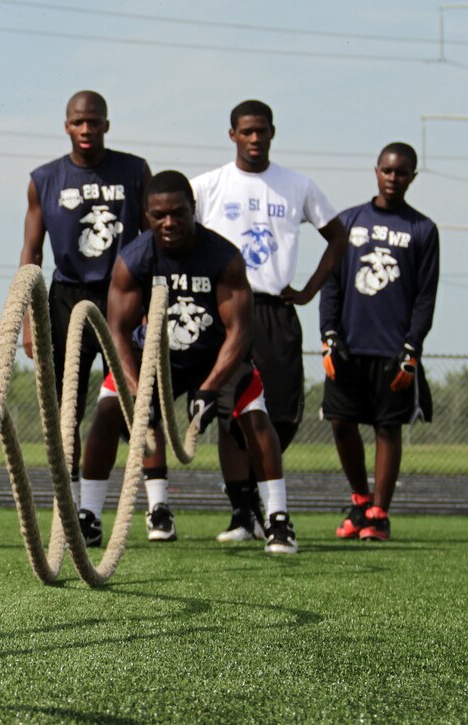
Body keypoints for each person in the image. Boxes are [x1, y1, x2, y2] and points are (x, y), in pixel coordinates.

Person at [80, 171, 297, 554]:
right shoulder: (133, 259)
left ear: (193, 209)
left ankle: (278, 519)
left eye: (178, 213)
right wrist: (135, 390)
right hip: (156, 359)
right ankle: (90, 517)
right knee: (108, 409)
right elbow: (117, 330)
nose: (169, 223)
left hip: (216, 358)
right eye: (159, 215)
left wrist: (212, 387)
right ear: (146, 215)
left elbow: (240, 331)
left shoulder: (223, 256)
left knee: (253, 412)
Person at [191, 99, 347, 542]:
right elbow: (172, 226)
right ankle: (246, 515)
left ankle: (265, 502)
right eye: (246, 131)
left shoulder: (296, 185)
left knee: (278, 417)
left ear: (272, 133)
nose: (255, 139)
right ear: (232, 135)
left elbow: (337, 236)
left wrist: (310, 289)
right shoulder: (208, 186)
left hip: (274, 311)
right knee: (229, 416)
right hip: (223, 312)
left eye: (262, 131)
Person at [19, 90, 150, 535]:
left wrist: (151, 305)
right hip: (66, 298)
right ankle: (72, 508)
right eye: (78, 122)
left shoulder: (134, 171)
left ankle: (157, 506)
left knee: (136, 403)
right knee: (63, 411)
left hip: (122, 296)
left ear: (106, 125)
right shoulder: (45, 178)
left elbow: (153, 243)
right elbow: (32, 250)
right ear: (66, 126)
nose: (86, 130)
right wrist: (26, 318)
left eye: (94, 122)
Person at [320, 142, 438, 541]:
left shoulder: (423, 229)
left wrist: (412, 348)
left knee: (389, 428)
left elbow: (425, 295)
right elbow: (331, 283)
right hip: (349, 346)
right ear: (376, 171)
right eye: (387, 171)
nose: (393, 178)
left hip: (393, 349)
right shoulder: (349, 220)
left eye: (402, 173)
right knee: (340, 422)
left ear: (412, 178)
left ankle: (379, 514)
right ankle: (359, 501)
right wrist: (328, 336)